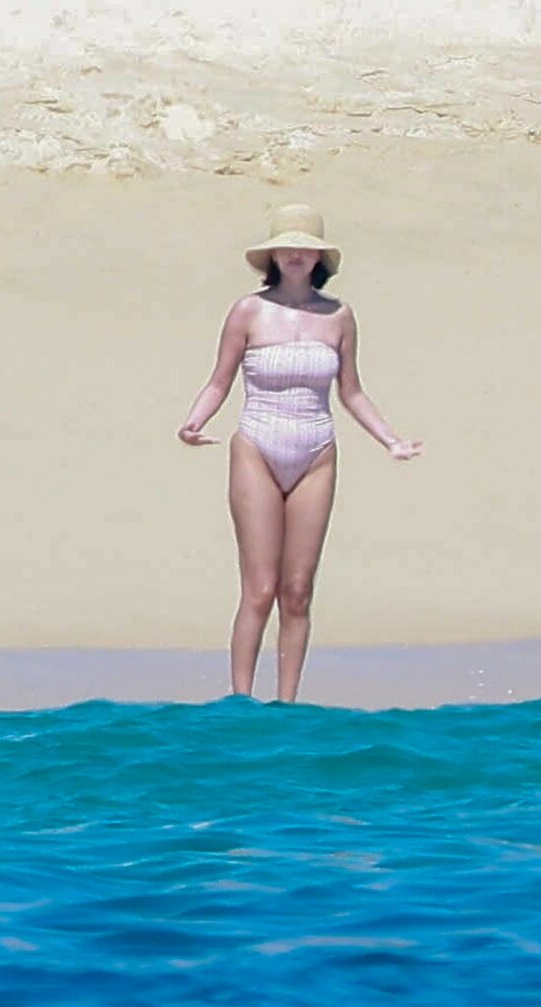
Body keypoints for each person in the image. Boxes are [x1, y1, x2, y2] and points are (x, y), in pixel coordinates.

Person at [177, 204, 423, 703]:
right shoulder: (248, 311)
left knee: (297, 591)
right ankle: (241, 702)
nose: (295, 255)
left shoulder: (339, 316)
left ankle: (287, 706)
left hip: (316, 452)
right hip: (257, 447)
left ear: (319, 258)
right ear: (272, 256)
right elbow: (220, 380)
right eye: (286, 248)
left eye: (305, 249)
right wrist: (193, 422)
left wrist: (391, 440)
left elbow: (351, 391)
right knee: (260, 589)